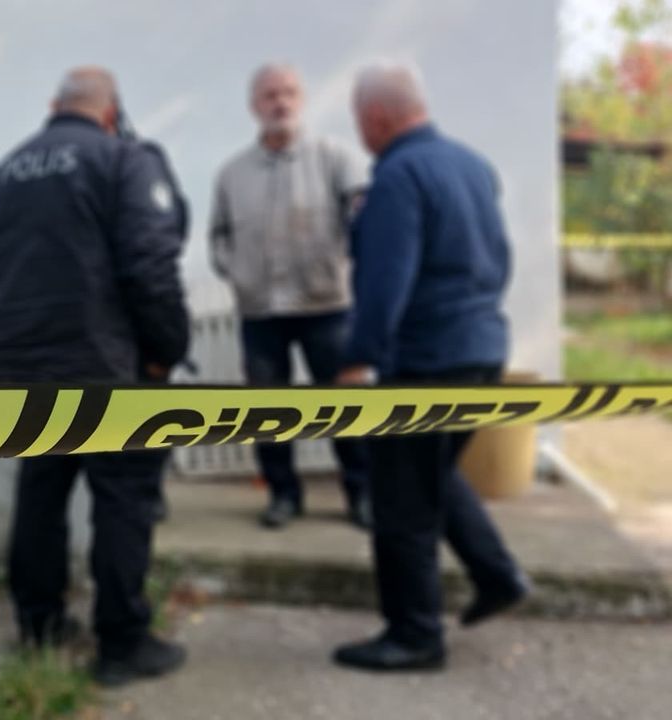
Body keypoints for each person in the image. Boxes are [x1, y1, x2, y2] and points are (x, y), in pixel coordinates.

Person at [0, 66, 190, 686]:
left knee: (41, 493)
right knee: (124, 496)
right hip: (100, 365)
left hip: (16, 369)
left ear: (53, 105)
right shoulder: (122, 160)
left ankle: (39, 626)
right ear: (112, 113)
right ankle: (122, 643)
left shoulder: (4, 172)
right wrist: (166, 351)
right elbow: (151, 263)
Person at [333, 61, 531, 672]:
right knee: (434, 473)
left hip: (425, 362)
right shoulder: (472, 165)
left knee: (401, 502)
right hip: (481, 351)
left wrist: (358, 357)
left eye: (358, 120)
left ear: (376, 117)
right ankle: (497, 575)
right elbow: (498, 258)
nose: (360, 132)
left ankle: (415, 636)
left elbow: (385, 282)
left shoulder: (398, 177)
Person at [209, 63, 372, 530]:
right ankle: (283, 495)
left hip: (328, 307)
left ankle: (362, 494)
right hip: (260, 312)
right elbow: (218, 236)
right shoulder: (232, 173)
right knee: (268, 411)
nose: (280, 102)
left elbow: (365, 223)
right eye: (269, 95)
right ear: (253, 106)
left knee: (345, 408)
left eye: (289, 93)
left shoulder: (336, 158)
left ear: (302, 99)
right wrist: (238, 274)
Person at [116, 104, 192, 524]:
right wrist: (170, 346)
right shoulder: (136, 162)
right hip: (127, 333)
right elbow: (159, 252)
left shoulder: (136, 162)